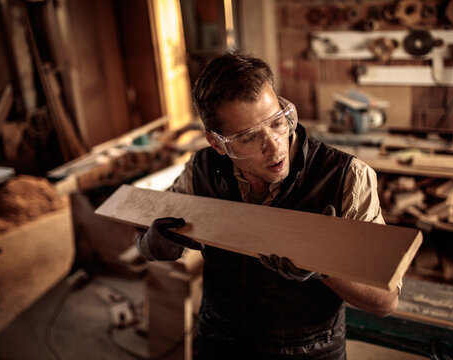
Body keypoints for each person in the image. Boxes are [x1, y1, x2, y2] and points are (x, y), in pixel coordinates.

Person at [136, 52, 400, 359]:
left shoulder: (346, 178)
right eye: (249, 137)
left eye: (277, 122)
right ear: (217, 142)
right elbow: (143, 239)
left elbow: (386, 302)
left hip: (310, 352)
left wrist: (323, 267)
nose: (275, 146)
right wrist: (156, 245)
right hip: (219, 344)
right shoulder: (201, 171)